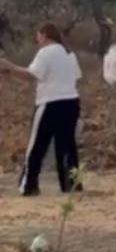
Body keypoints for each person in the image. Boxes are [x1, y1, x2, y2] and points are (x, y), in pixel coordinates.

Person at [1, 22, 82, 196]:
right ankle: (72, 184)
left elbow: (31, 75)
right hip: (72, 102)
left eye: (38, 35)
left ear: (45, 35)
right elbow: (71, 77)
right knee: (67, 145)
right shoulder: (69, 53)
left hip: (50, 103)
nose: (37, 39)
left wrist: (7, 65)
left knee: (37, 145)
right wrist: (11, 73)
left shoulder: (45, 52)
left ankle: (29, 185)